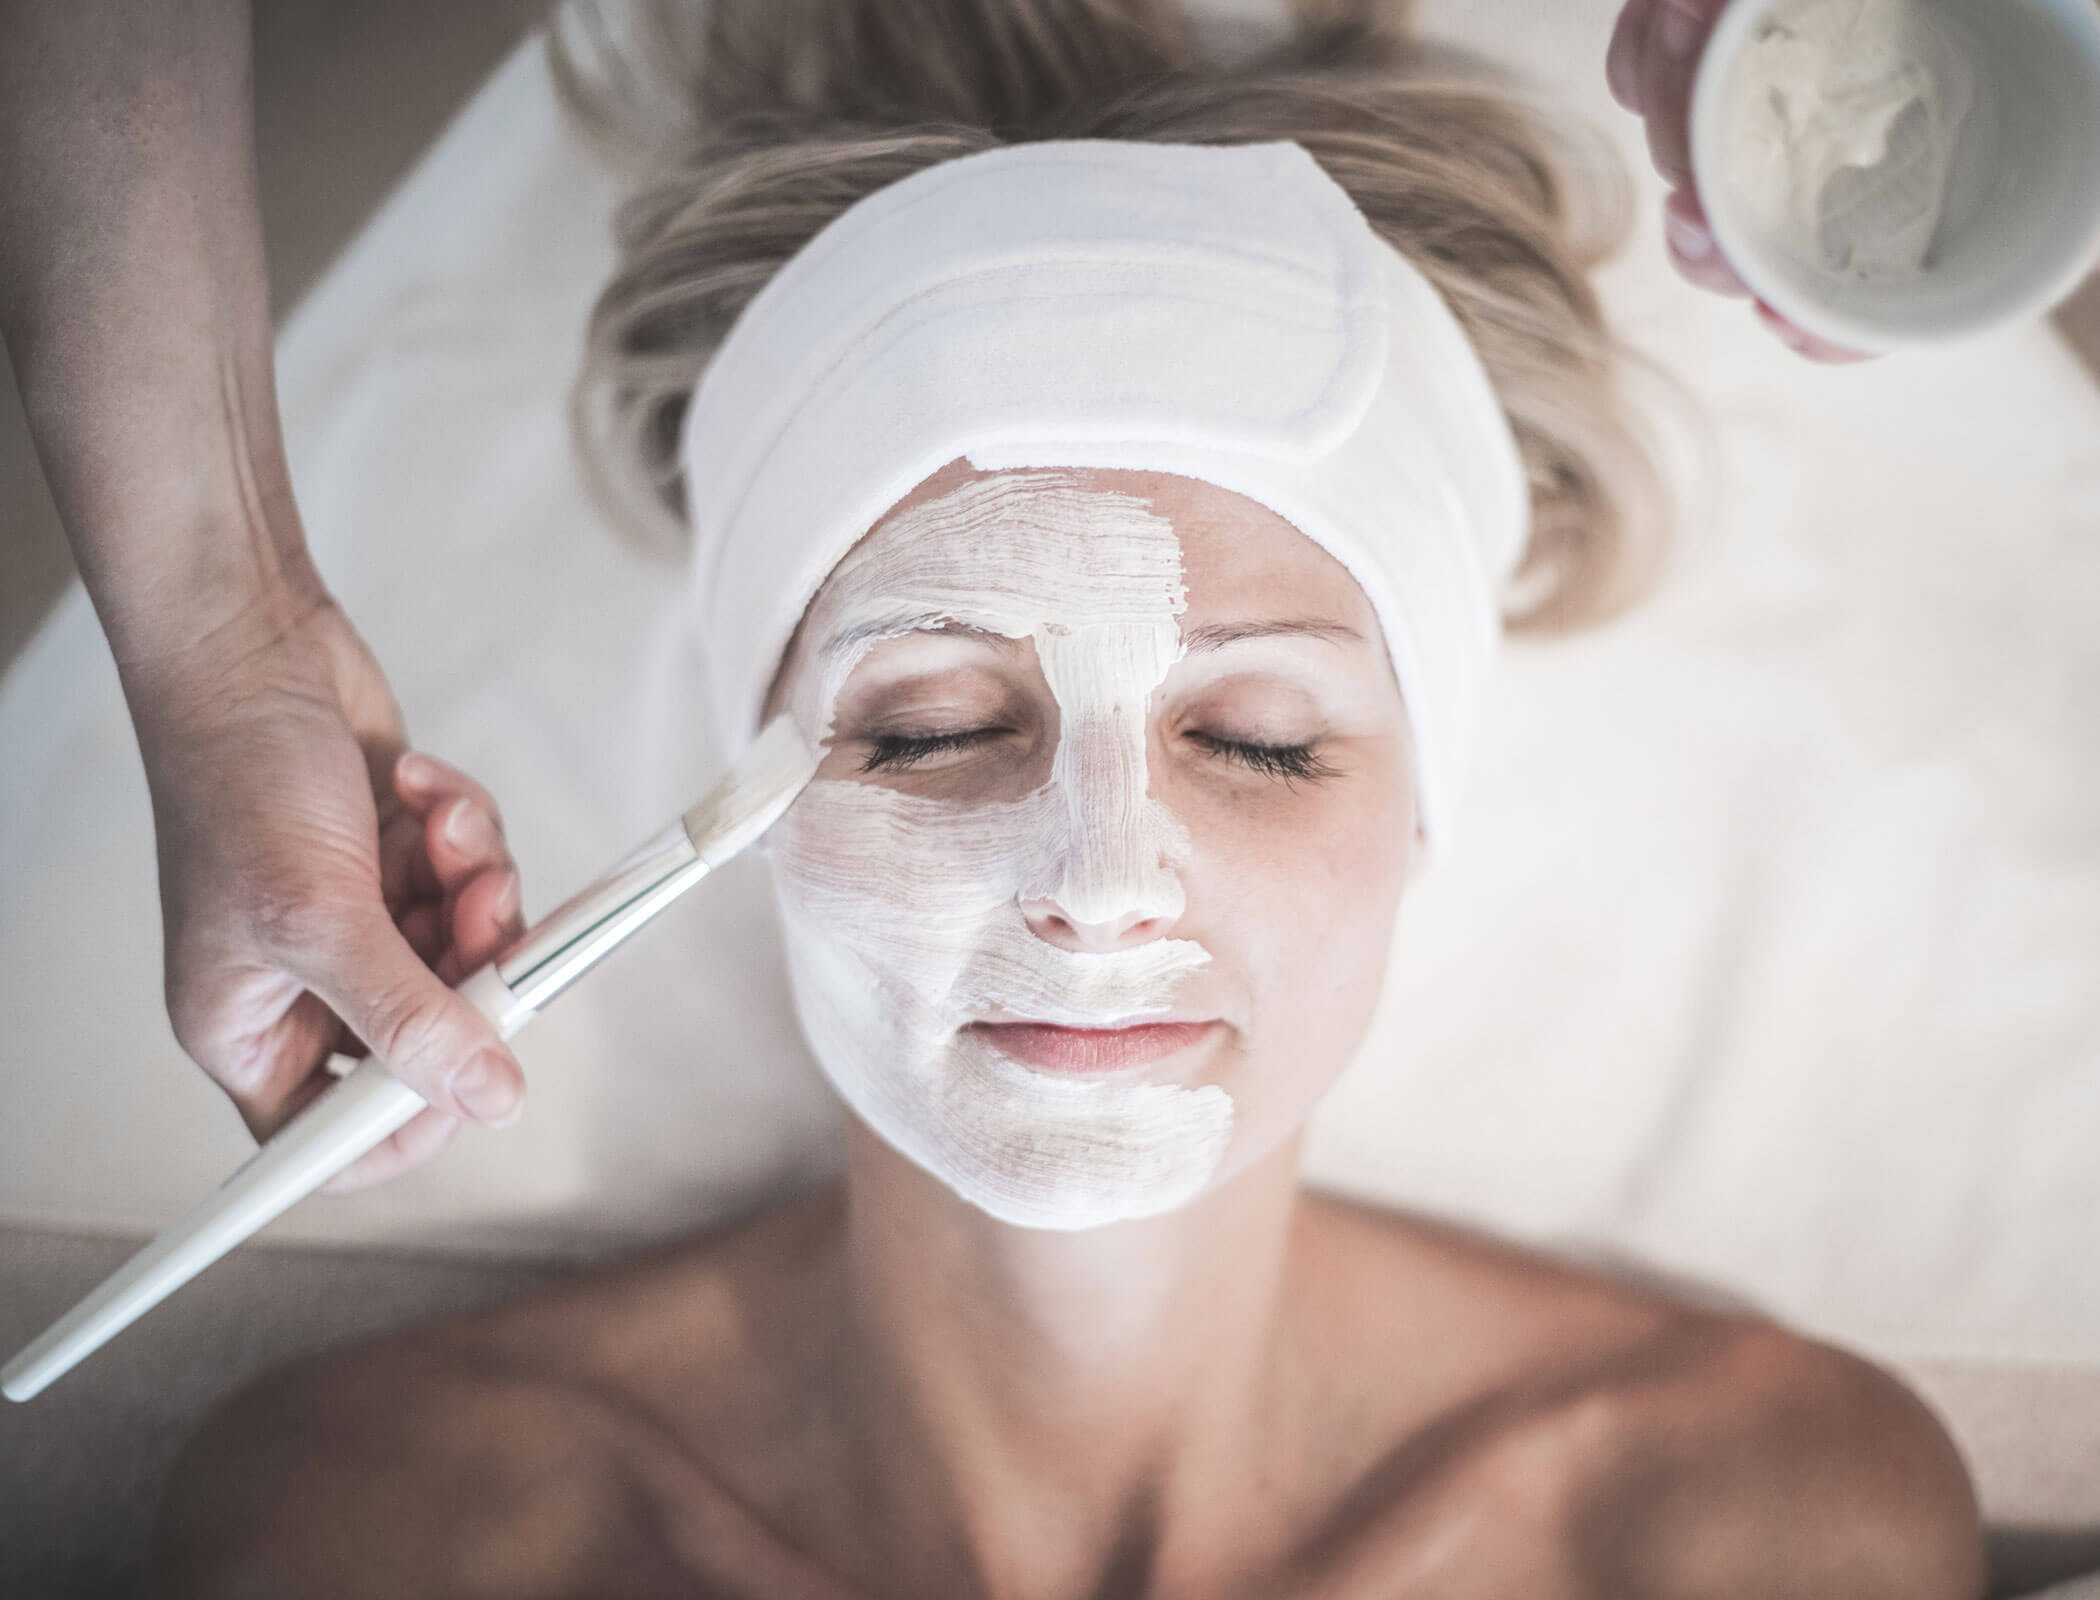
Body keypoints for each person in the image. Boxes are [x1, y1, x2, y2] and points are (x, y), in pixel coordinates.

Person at [143, 2, 1981, 1596]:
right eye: (934, 730)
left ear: (1424, 808)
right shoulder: (366, 1541)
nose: (1099, 884)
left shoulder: (1755, 1535)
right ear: (754, 796)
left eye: (1258, 741)